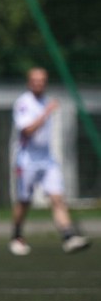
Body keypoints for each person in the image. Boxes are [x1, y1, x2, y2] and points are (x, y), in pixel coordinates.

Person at [9, 67, 91, 256]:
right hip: (26, 160)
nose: (39, 83)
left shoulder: (47, 101)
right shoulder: (24, 103)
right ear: (29, 82)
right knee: (24, 201)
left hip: (47, 160)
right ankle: (17, 236)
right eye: (35, 80)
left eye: (42, 80)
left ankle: (68, 236)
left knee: (57, 198)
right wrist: (46, 112)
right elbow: (27, 131)